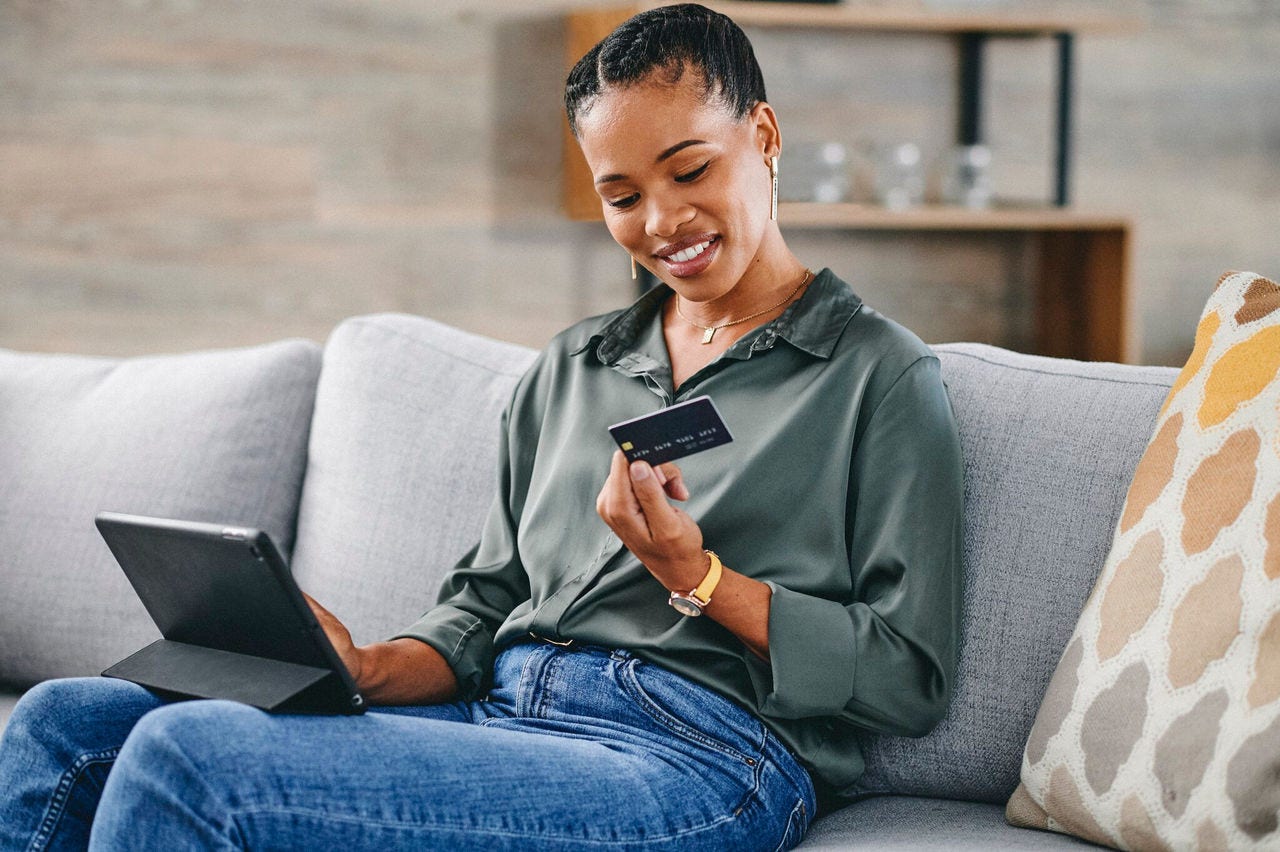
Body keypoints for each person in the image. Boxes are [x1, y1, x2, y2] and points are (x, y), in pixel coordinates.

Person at [0, 4, 963, 850]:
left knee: (192, 759)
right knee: (62, 721)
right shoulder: (572, 369)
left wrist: (697, 579)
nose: (662, 220)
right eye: (622, 196)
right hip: (502, 714)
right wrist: (367, 667)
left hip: (698, 756)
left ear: (763, 134)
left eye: (690, 170)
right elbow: (486, 601)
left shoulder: (875, 374)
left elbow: (908, 676)